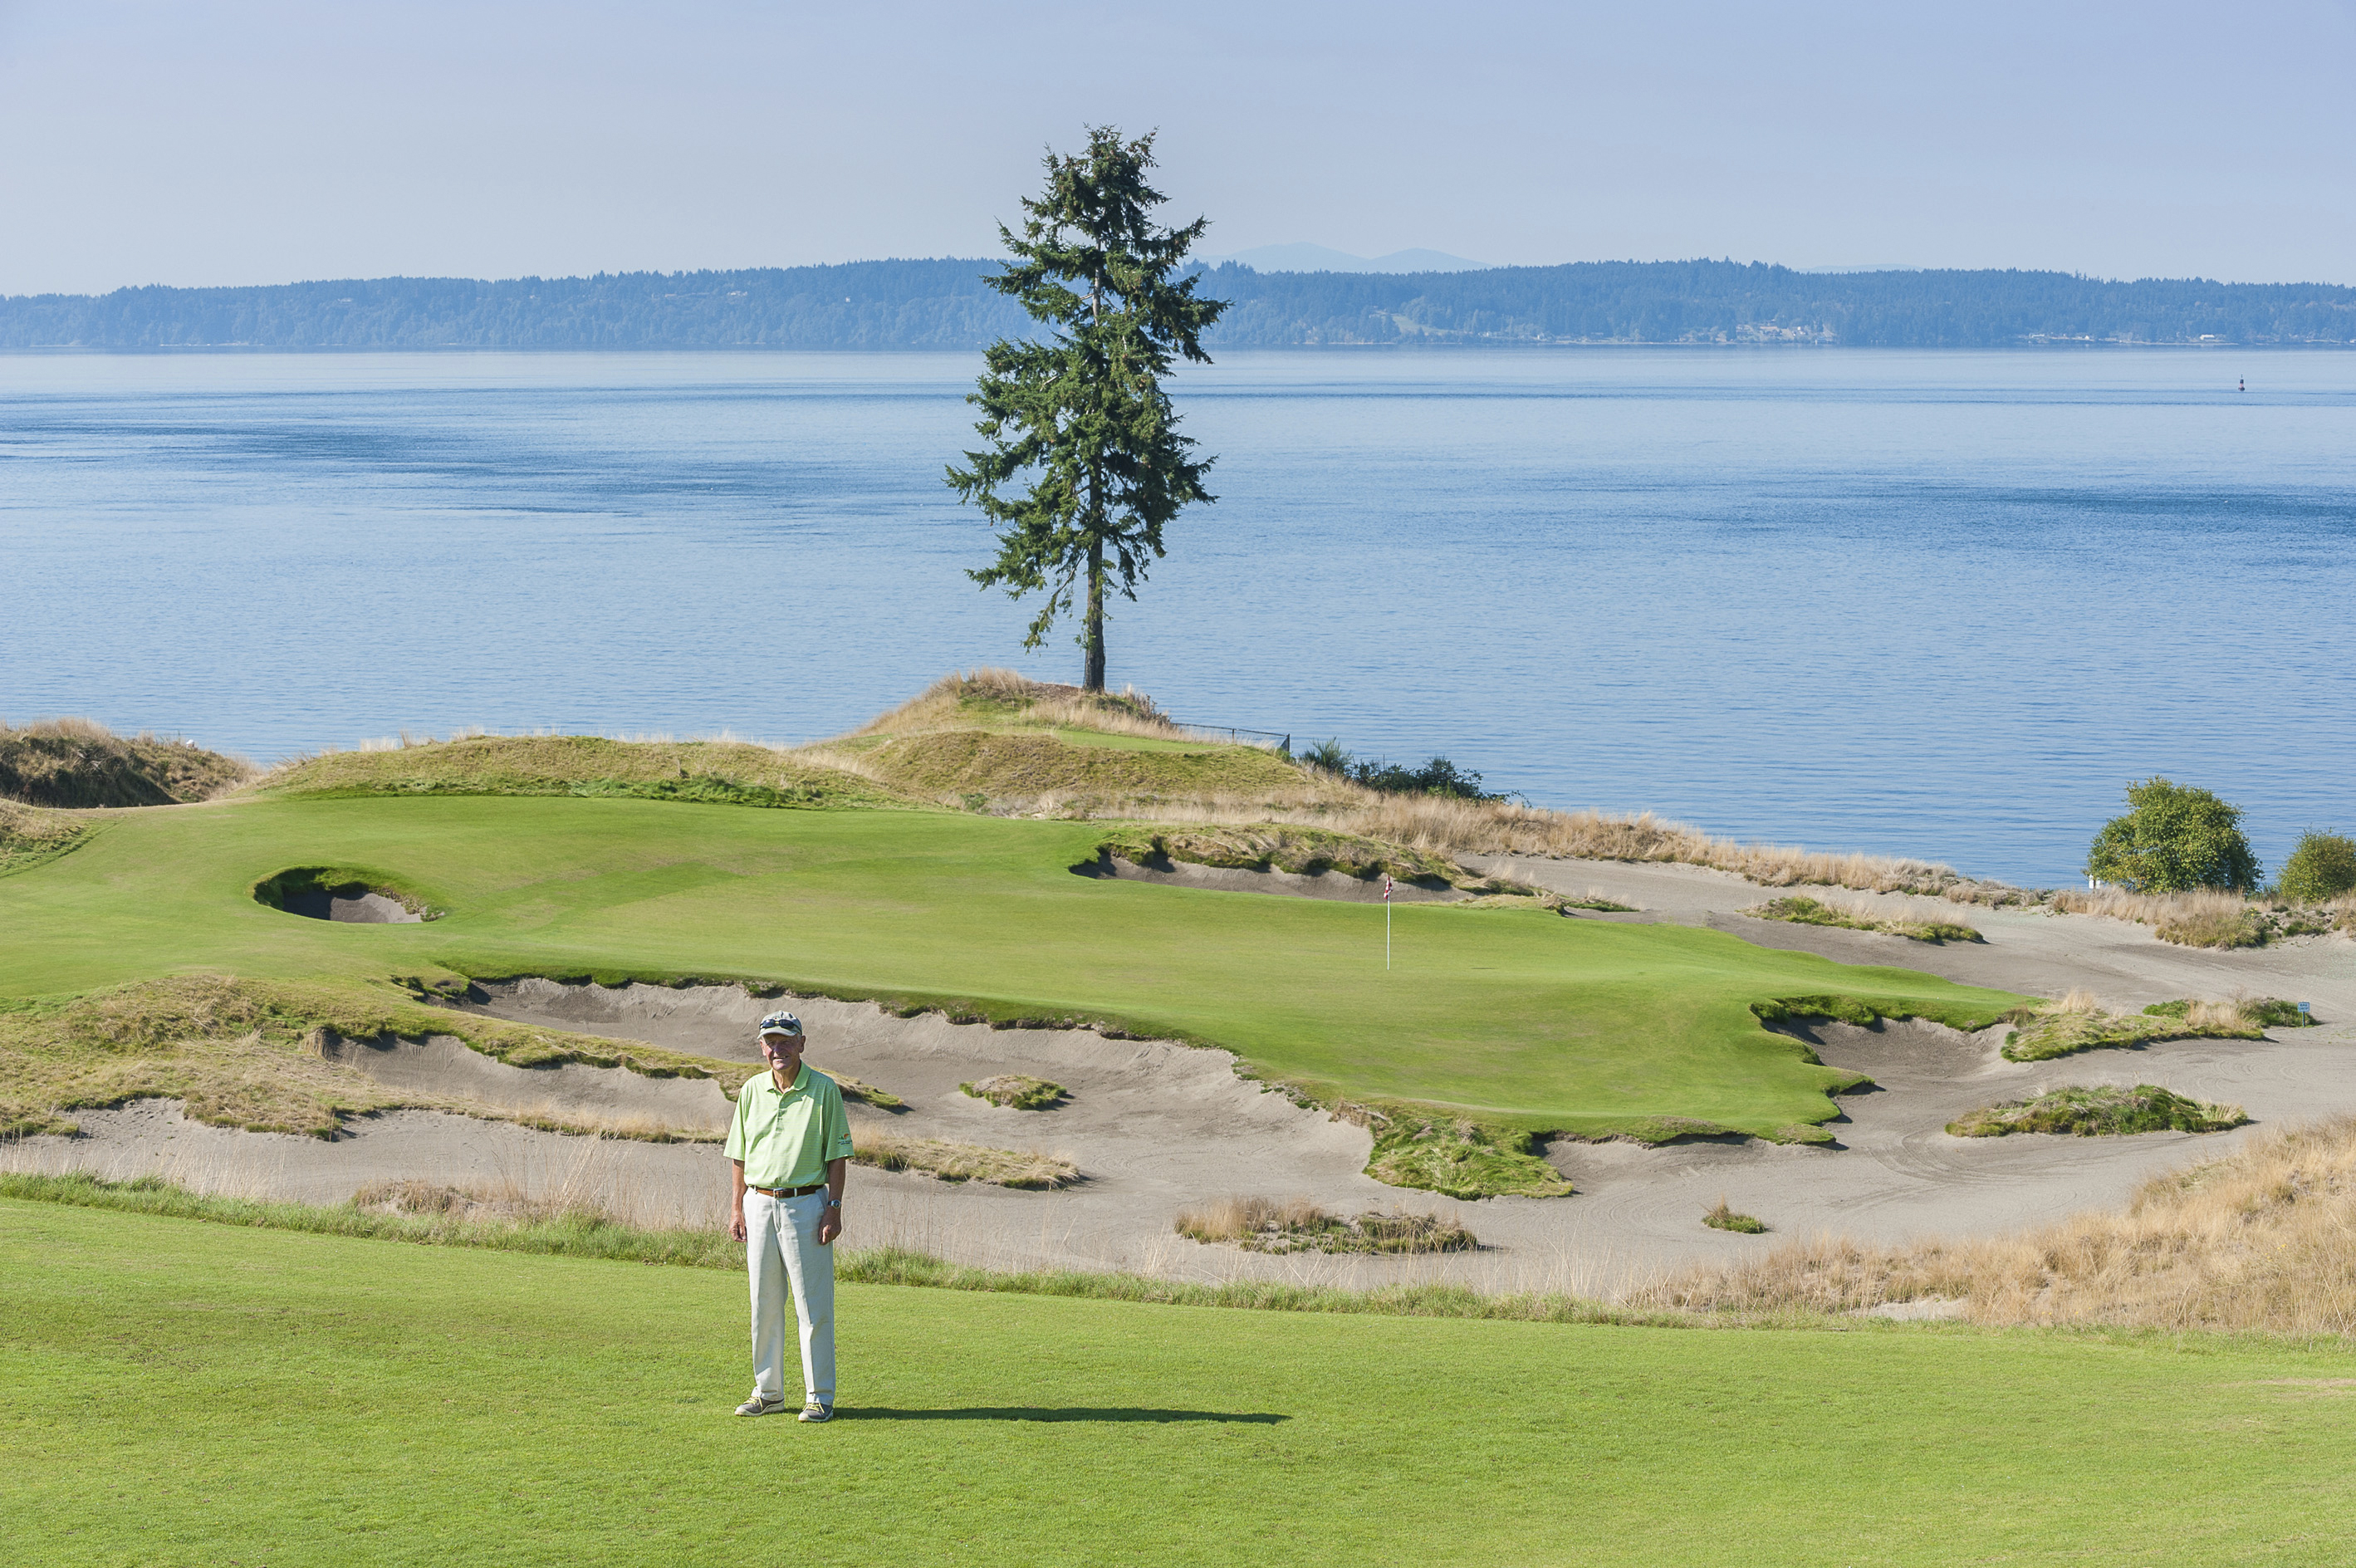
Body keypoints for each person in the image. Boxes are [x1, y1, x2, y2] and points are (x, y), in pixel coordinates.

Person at [726, 1010, 854, 1421]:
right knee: (763, 1302)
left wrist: (833, 1207)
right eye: (770, 1042)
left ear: (802, 1043)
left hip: (806, 1205)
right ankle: (769, 1392)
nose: (777, 1049)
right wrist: (736, 1207)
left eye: (785, 1041)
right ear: (762, 1047)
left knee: (812, 1305)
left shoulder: (823, 1090)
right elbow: (739, 1155)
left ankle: (820, 1396)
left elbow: (837, 1154)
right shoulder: (751, 1090)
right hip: (758, 1202)